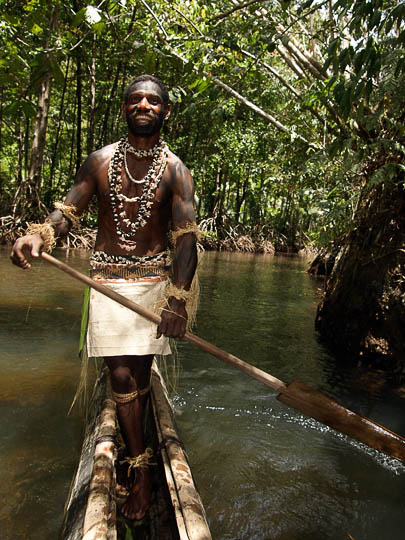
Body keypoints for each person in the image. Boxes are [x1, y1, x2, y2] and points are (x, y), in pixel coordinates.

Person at [10, 74, 199, 521]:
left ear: (165, 111)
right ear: (124, 108)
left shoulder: (176, 171)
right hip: (107, 285)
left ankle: (139, 451)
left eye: (154, 101)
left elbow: (186, 239)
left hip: (154, 286)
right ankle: (142, 470)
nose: (144, 106)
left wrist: (176, 301)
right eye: (135, 99)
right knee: (119, 375)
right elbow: (68, 210)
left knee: (137, 372)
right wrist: (40, 235)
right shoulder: (99, 162)